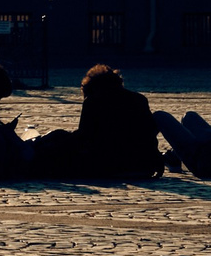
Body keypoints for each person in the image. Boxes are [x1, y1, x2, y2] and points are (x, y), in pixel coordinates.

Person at [30, 64, 164, 180]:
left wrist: (56, 145)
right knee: (59, 136)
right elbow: (149, 131)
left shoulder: (94, 101)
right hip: (144, 164)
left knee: (57, 146)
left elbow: (84, 135)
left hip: (112, 164)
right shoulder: (139, 99)